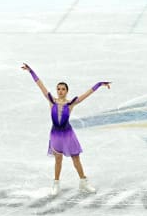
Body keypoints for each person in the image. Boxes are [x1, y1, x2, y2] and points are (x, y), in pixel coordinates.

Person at [21, 63, 110, 196]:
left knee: (76, 158)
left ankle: (84, 182)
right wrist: (31, 71)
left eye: (63, 89)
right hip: (56, 134)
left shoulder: (71, 103)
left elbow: (87, 94)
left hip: (68, 134)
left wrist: (99, 84)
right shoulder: (51, 101)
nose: (60, 91)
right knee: (58, 159)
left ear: (67, 91)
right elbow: (40, 85)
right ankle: (56, 184)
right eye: (58, 89)